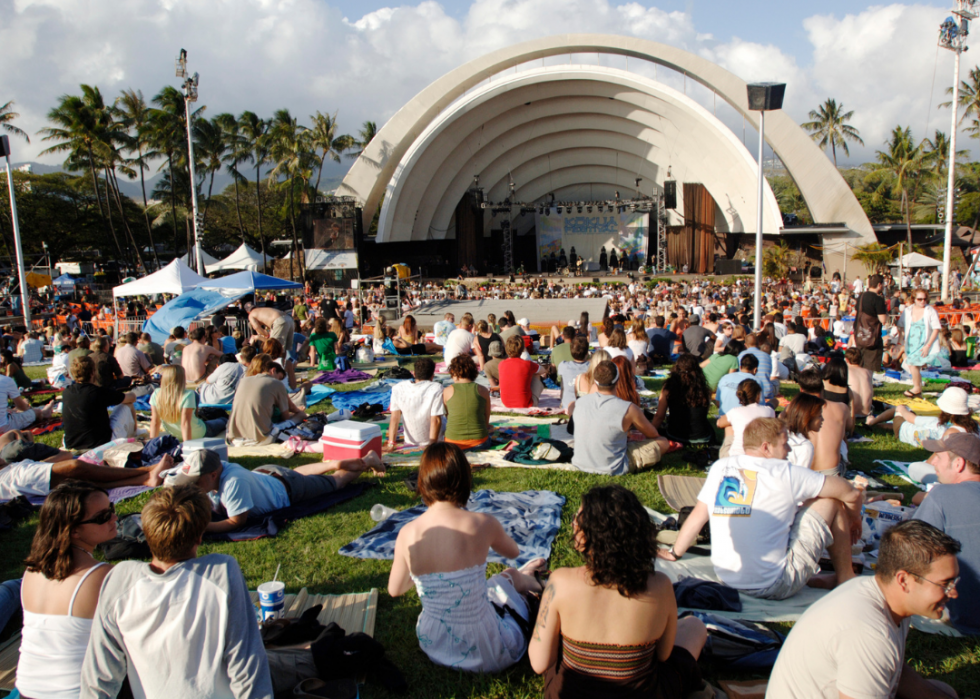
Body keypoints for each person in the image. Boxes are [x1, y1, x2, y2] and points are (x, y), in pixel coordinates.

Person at [79, 485, 274, 698]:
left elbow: (98, 679)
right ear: (199, 537)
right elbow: (246, 665)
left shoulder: (120, 580)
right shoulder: (219, 572)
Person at [529, 485, 706, 698]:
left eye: (576, 521)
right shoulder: (660, 585)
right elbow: (664, 655)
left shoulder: (560, 582)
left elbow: (540, 664)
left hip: (571, 693)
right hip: (643, 692)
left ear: (586, 537)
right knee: (694, 626)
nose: (573, 525)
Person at [661, 418, 864, 600]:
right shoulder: (786, 472)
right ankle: (846, 577)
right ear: (766, 447)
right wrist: (854, 519)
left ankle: (814, 578)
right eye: (785, 445)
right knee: (831, 501)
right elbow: (850, 493)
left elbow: (698, 515)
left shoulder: (721, 467)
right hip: (773, 585)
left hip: (727, 578)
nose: (789, 451)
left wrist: (675, 552)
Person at [387, 442, 546, 672]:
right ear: (464, 480)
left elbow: (395, 590)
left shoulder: (407, 533)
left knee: (495, 586)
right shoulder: (483, 523)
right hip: (487, 646)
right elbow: (513, 552)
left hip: (436, 643)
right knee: (506, 577)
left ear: (422, 482)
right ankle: (535, 582)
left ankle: (528, 578)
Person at [766, 520, 962, 699]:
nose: (953, 593)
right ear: (904, 580)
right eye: (945, 584)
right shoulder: (869, 633)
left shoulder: (884, 596)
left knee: (945, 693)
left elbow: (895, 671)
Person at [17, 482, 118, 699]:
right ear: (73, 531)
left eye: (112, 509)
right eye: (102, 517)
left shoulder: (33, 570)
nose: (114, 518)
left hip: (27, 690)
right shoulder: (101, 576)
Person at [170, 448, 382, 533]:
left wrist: (200, 527)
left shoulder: (233, 482)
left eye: (196, 482)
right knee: (295, 474)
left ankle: (366, 460)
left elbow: (237, 522)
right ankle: (331, 463)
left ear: (213, 475)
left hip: (287, 490)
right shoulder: (216, 470)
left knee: (336, 484)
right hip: (271, 475)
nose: (192, 487)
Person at [914, 432, 980, 636]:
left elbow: (912, 550)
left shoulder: (942, 495)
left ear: (959, 464)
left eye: (939, 457)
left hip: (965, 616)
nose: (933, 462)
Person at [569, 361, 669, 475]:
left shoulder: (579, 403)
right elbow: (653, 434)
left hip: (581, 463)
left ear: (595, 381)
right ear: (617, 380)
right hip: (614, 466)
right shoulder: (629, 409)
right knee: (663, 442)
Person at [0, 452, 171, 502]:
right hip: (12, 475)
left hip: (13, 470)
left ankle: (145, 478)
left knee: (78, 483)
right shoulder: (15, 475)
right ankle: (147, 470)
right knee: (76, 467)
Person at [226, 355, 307, 445]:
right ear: (273, 370)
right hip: (259, 438)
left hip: (233, 438)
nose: (279, 380)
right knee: (301, 415)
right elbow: (286, 417)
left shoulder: (243, 381)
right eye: (279, 378)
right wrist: (298, 411)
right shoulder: (276, 383)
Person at [63, 356, 138, 450]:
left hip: (71, 443)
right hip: (100, 443)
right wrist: (128, 393)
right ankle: (135, 433)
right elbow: (132, 398)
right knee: (127, 404)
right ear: (92, 372)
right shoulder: (97, 392)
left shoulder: (66, 392)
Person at [149, 365, 227, 442]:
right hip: (197, 433)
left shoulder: (156, 393)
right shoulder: (188, 394)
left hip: (174, 435)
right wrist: (187, 445)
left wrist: (151, 444)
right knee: (223, 420)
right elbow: (185, 423)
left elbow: (155, 422)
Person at [651, 354, 714, 445]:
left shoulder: (668, 387)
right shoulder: (705, 389)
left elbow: (659, 416)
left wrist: (648, 433)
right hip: (702, 438)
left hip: (675, 436)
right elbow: (702, 414)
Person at [385, 357, 445, 451]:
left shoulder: (398, 388)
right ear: (432, 376)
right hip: (433, 440)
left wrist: (391, 443)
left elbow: (394, 418)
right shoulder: (436, 388)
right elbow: (436, 420)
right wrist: (432, 447)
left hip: (410, 441)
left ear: (414, 373)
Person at [798, 369, 849, 476]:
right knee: (841, 438)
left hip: (801, 471)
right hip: (831, 474)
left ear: (801, 390)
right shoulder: (841, 408)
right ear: (822, 388)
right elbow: (848, 430)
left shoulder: (792, 409)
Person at [716, 378, 774, 458]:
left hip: (735, 457)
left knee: (729, 425)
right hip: (761, 456)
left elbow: (719, 423)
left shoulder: (735, 411)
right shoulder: (769, 411)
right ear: (758, 395)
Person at [443, 355, 491, 450]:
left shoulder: (447, 392)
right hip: (480, 442)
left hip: (452, 443)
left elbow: (448, 416)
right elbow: (486, 418)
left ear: (453, 372)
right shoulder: (483, 390)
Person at [900, 288, 941, 398]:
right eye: (919, 299)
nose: (923, 301)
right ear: (914, 299)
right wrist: (900, 340)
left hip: (924, 343)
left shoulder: (930, 311)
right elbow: (901, 326)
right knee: (912, 365)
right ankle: (917, 389)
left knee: (914, 365)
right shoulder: (908, 311)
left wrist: (928, 346)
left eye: (925, 299)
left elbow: (936, 329)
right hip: (910, 342)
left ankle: (917, 388)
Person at [0, 361, 54, 434]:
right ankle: (43, 413)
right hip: (4, 426)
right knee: (36, 412)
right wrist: (25, 403)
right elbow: (22, 408)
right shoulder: (6, 380)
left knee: (11, 411)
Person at [498, 335, 547, 408]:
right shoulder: (528, 364)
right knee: (536, 374)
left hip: (505, 403)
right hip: (526, 404)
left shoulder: (501, 364)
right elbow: (543, 370)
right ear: (522, 348)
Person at [781, 392, 826, 470]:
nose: (822, 419)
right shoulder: (805, 447)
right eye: (819, 416)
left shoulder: (780, 433)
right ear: (807, 417)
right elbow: (801, 477)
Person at [557, 337, 590, 412]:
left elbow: (562, 387)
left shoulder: (563, 366)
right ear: (587, 353)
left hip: (567, 407)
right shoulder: (591, 367)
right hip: (585, 408)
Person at [844, 346, 875, 418]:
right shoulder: (868, 372)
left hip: (851, 413)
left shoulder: (845, 371)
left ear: (846, 360)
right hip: (867, 413)